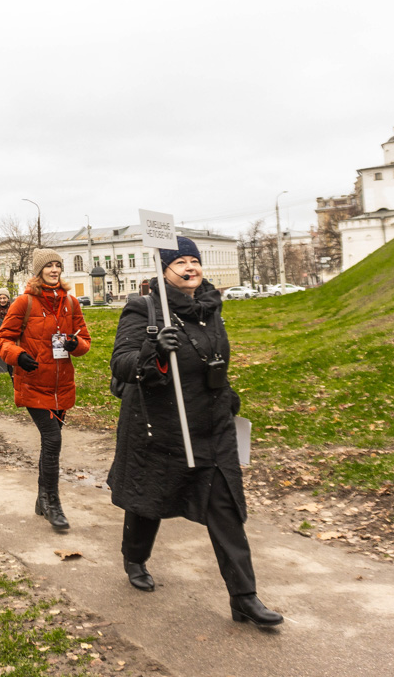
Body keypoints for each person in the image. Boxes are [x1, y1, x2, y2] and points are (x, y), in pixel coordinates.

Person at [107, 237, 282, 627]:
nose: (190, 268)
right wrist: (153, 348)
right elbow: (122, 364)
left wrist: (227, 392)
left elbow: (212, 358)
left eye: (194, 261)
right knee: (148, 500)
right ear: (164, 270)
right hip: (160, 423)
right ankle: (135, 557)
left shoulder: (210, 308)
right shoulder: (144, 308)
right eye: (180, 262)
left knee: (224, 508)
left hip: (212, 424)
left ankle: (244, 597)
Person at [0, 249, 91, 531]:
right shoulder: (24, 302)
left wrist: (76, 346)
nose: (54, 269)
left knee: (51, 443)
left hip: (61, 386)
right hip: (34, 383)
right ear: (38, 271)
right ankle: (53, 503)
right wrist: (17, 355)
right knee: (53, 441)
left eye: (57, 265)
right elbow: (3, 340)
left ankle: (41, 498)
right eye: (48, 265)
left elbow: (84, 340)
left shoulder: (71, 303)